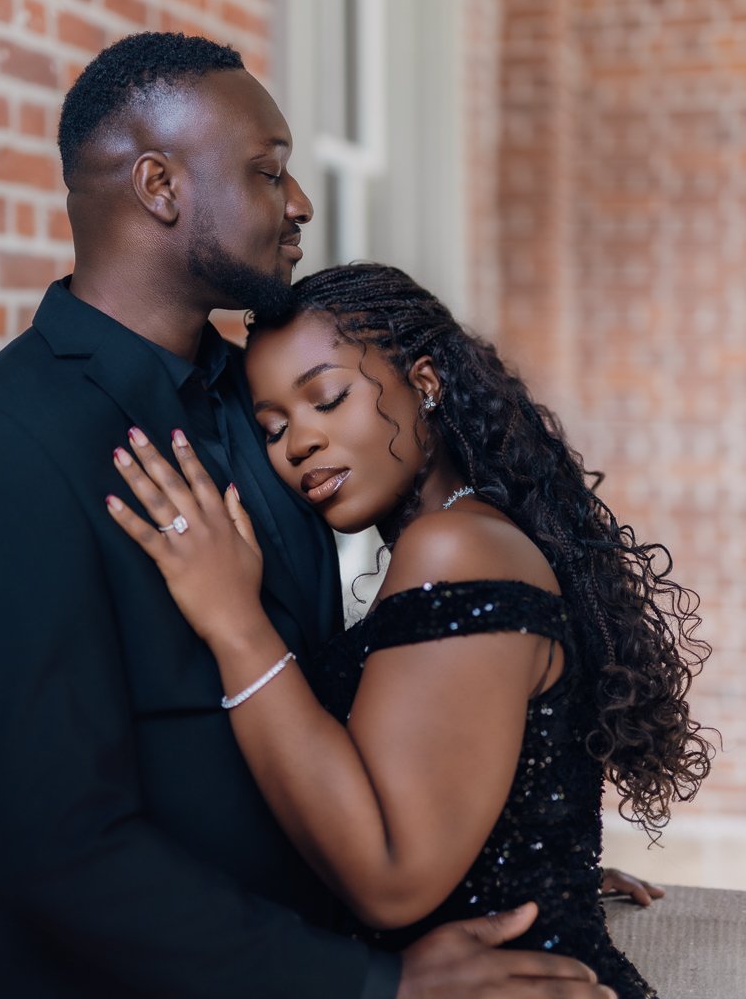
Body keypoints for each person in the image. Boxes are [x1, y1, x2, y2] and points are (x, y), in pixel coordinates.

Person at [0, 32, 619, 999]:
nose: (301, 202)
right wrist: (370, 985)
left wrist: (516, 853)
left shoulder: (274, 408)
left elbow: (385, 687)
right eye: (268, 170)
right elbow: (62, 847)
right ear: (160, 187)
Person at [105, 263, 714, 999]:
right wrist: (540, 866)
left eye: (327, 398)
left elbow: (389, 879)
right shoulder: (475, 537)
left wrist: (235, 624)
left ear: (425, 383)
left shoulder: (454, 547)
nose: (298, 444)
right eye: (273, 428)